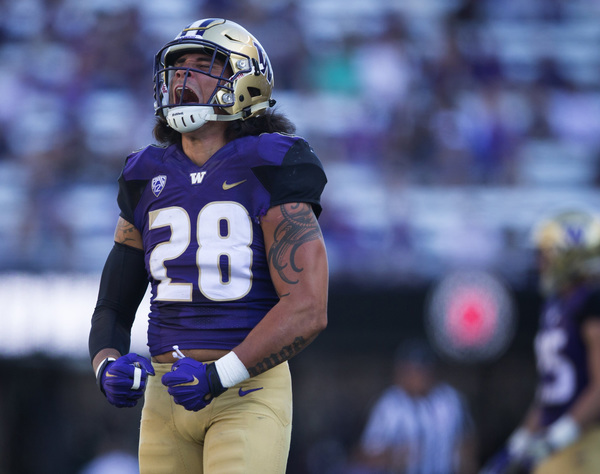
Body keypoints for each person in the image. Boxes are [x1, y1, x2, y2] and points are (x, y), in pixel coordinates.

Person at [88, 18, 328, 474]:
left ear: (246, 81)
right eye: (178, 66)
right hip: (165, 397)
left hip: (246, 390)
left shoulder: (273, 162)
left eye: (205, 64)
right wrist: (107, 366)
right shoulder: (144, 174)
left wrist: (220, 374)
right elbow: (113, 307)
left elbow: (308, 307)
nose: (184, 75)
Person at [481, 210, 600, 474]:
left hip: (587, 442)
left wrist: (563, 432)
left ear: (569, 256)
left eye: (546, 254)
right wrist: (521, 440)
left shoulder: (591, 302)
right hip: (559, 446)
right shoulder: (556, 305)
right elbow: (550, 392)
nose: (539, 262)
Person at [356, 338, 477, 474]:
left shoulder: (450, 400)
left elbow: (467, 445)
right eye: (411, 370)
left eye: (423, 370)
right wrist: (394, 456)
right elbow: (365, 455)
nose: (418, 376)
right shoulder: (388, 406)